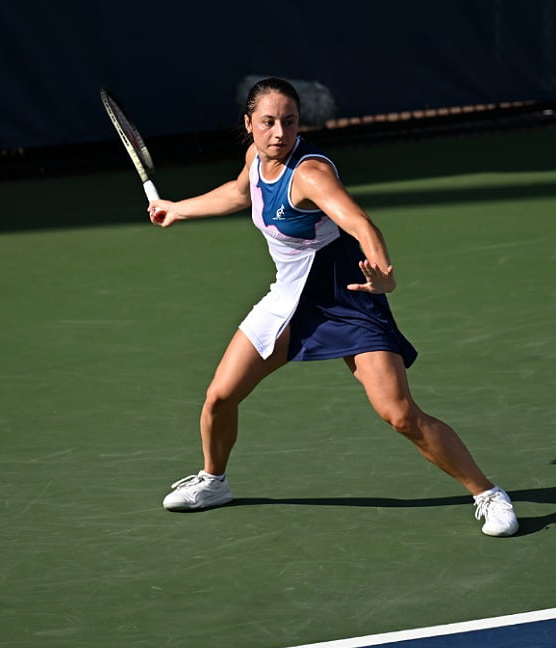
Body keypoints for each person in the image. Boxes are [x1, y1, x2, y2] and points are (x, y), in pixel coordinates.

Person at [147, 77, 518, 537]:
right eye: (268, 122)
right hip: (288, 300)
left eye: (289, 122)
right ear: (248, 124)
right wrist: (178, 208)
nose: (279, 132)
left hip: (347, 299)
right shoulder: (255, 160)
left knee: (399, 413)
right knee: (220, 397)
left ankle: (487, 493)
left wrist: (383, 273)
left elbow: (360, 223)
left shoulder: (309, 174)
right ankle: (214, 481)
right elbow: (240, 193)